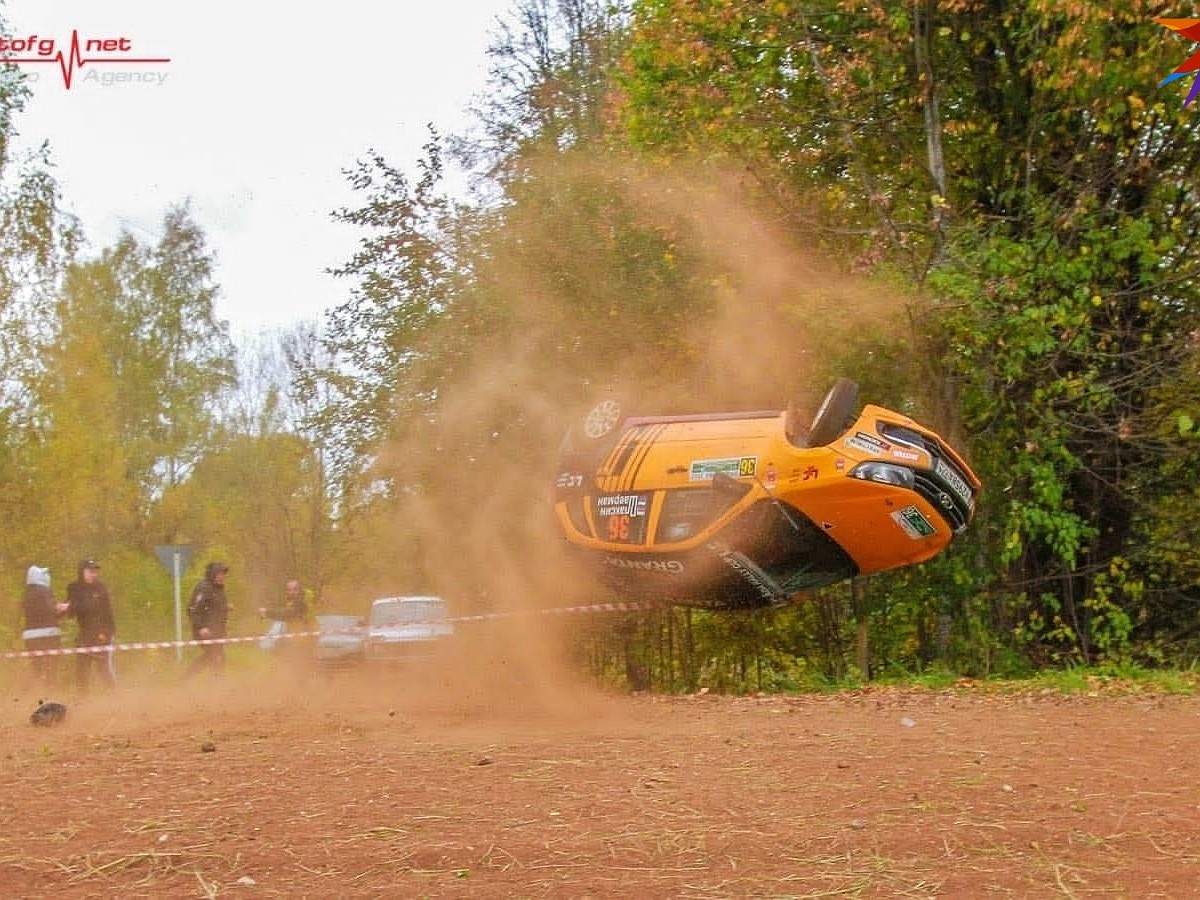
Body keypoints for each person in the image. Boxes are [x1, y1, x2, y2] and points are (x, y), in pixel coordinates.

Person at [63, 558, 117, 692]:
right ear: (82, 571)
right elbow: (71, 611)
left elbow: (105, 611)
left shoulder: (100, 587)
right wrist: (62, 609)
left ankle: (113, 695)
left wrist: (107, 632)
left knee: (103, 667)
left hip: (102, 631)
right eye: (90, 571)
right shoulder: (74, 587)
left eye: (95, 571)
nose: (93, 574)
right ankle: (83, 698)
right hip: (85, 633)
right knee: (81, 668)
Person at [186, 561, 230, 678]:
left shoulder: (219, 589)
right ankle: (186, 679)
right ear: (213, 574)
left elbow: (214, 607)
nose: (222, 577)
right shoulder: (203, 588)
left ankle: (215, 684)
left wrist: (226, 607)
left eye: (223, 574)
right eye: (219, 574)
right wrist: (201, 628)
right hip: (204, 632)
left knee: (215, 656)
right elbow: (193, 609)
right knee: (215, 655)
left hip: (217, 630)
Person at [22, 565, 62, 689]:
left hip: (30, 637)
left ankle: (34, 690)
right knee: (51, 667)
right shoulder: (44, 591)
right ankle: (49, 690)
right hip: (49, 634)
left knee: (36, 667)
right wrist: (60, 608)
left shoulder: (27, 594)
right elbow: (50, 610)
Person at [257, 578, 310, 653]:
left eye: (295, 589)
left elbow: (287, 614)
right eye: (289, 590)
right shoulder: (291, 602)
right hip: (294, 639)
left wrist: (267, 612)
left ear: (299, 590)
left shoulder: (301, 602)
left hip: (304, 640)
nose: (292, 592)